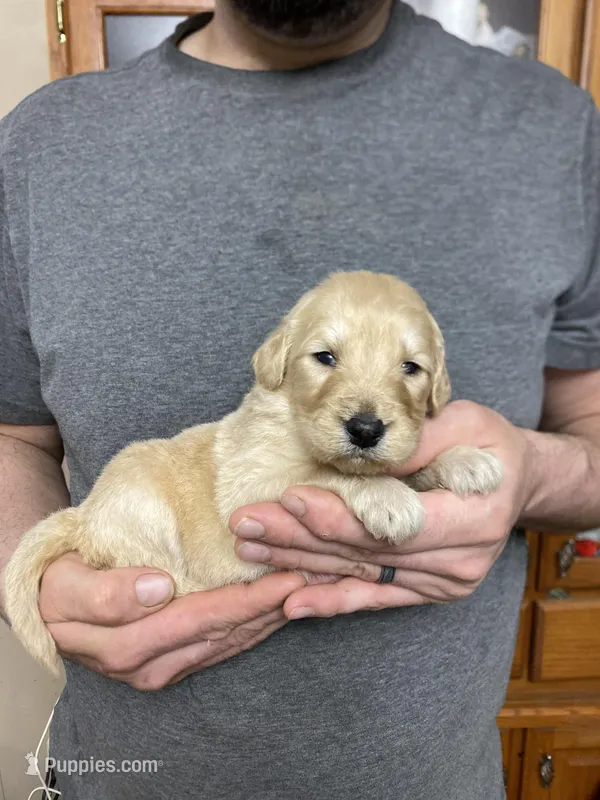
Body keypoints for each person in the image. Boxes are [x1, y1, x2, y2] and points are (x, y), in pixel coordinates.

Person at [1, 1, 599, 798]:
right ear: (282, 360)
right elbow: (11, 437)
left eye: (411, 369)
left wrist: (534, 474)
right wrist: (42, 586)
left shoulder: (555, 128)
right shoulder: (42, 142)